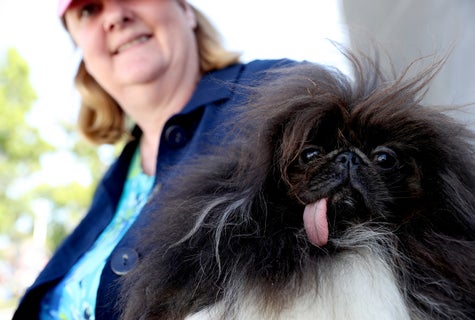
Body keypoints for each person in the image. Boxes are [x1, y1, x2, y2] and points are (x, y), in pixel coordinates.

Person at [13, 0, 291, 319]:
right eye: (89, 9)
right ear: (81, 51)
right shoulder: (116, 181)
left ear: (186, 9)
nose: (116, 16)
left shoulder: (273, 93)